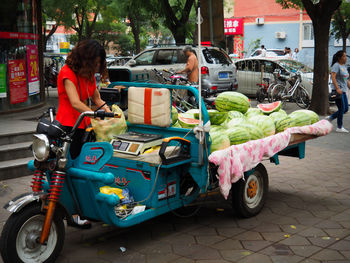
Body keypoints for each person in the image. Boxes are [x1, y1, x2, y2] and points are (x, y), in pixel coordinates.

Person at [56, 39, 111, 227]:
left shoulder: (88, 75)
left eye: (99, 63)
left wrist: (111, 113)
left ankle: (83, 208)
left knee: (83, 168)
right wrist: (97, 115)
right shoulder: (67, 73)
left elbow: (96, 98)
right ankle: (73, 211)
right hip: (67, 128)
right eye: (95, 62)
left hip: (84, 128)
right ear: (85, 59)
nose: (97, 66)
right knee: (69, 170)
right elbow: (75, 102)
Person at [326, 50, 350, 133]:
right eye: (344, 56)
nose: (345, 57)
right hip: (338, 91)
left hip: (343, 90)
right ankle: (339, 127)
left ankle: (330, 118)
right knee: (342, 108)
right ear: (339, 58)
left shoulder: (343, 66)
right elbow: (333, 77)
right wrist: (337, 88)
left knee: (345, 108)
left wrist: (349, 86)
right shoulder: (336, 65)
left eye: (345, 56)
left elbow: (345, 78)